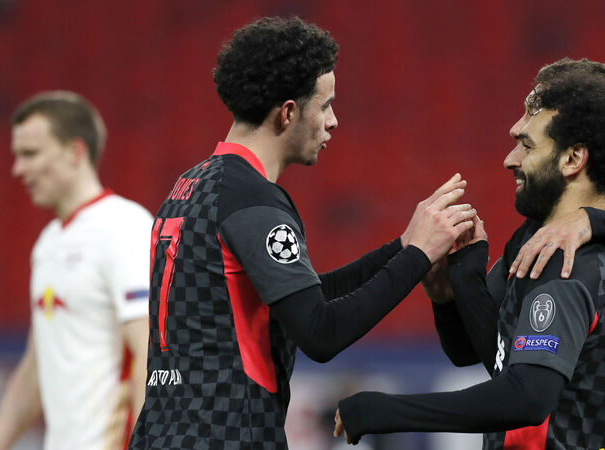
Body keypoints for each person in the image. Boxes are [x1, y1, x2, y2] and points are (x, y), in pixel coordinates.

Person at [128, 17, 476, 449]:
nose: (333, 121)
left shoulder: (191, 185)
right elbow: (320, 331)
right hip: (226, 436)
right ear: (289, 112)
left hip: (161, 433)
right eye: (325, 106)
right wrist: (418, 256)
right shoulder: (254, 200)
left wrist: (404, 248)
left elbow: (298, 301)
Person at [334, 58, 605, 449]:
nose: (509, 159)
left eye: (526, 145)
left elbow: (526, 396)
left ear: (573, 158)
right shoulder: (538, 240)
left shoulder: (571, 256)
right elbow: (486, 355)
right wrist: (453, 291)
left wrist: (387, 411)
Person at [0, 91, 152, 450]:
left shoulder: (124, 227)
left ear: (75, 151)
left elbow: (150, 350)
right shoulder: (48, 243)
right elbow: (36, 368)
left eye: (30, 154)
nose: (18, 169)